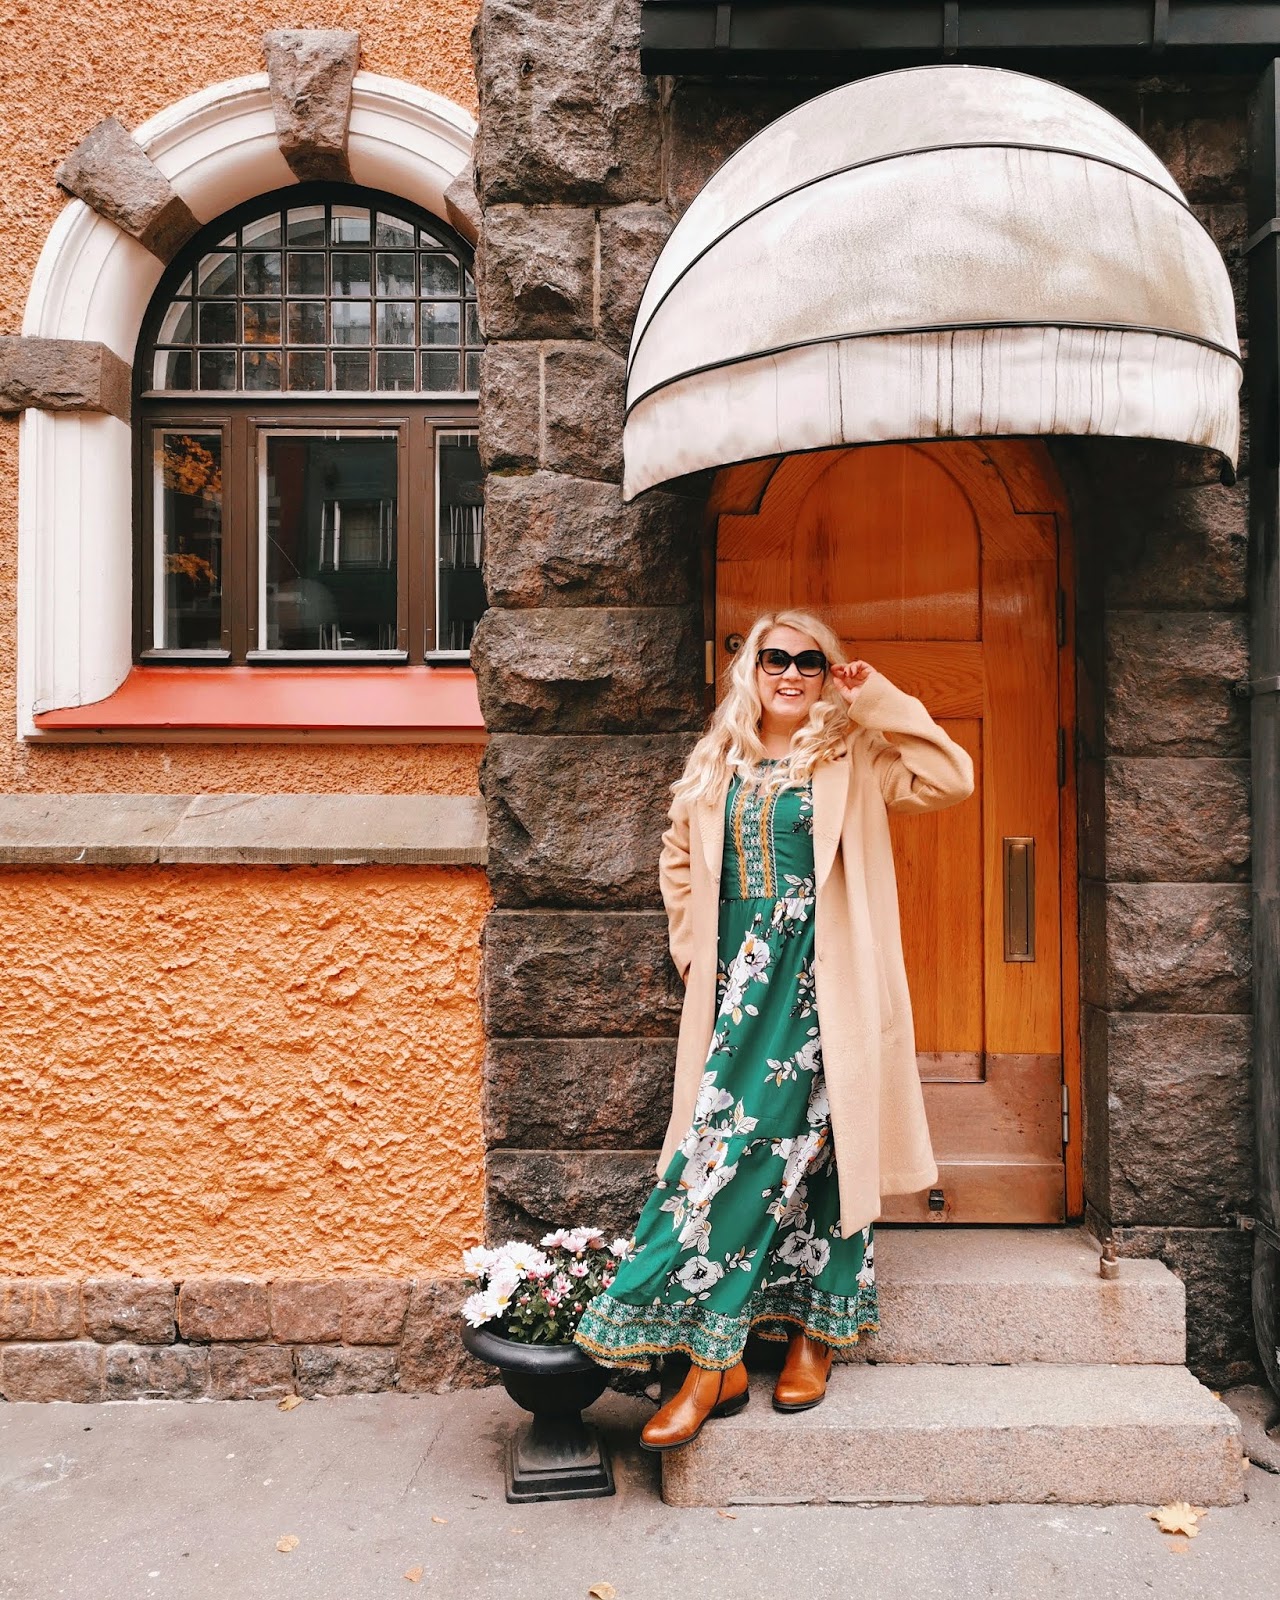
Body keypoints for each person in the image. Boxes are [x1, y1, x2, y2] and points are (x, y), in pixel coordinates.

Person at [572, 608, 974, 1450]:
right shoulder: (717, 759)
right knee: (728, 1149)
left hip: (827, 982)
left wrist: (877, 699)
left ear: (829, 675)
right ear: (750, 670)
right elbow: (677, 856)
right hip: (738, 985)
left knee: (814, 1148)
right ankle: (728, 1353)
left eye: (809, 662)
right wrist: (693, 950)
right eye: (775, 658)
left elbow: (950, 779)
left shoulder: (853, 753)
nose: (790, 673)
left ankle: (792, 1341)